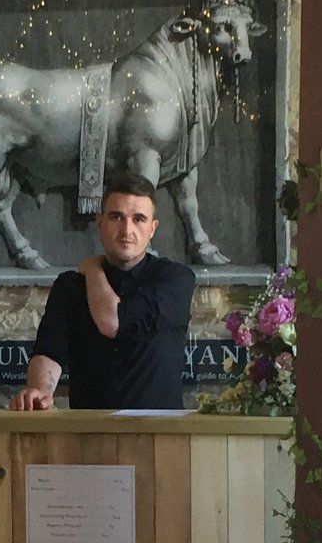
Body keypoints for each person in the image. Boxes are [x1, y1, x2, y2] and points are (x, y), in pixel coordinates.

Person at [12, 176, 196, 413]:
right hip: (88, 435)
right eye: (116, 217)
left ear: (152, 228)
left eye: (138, 219)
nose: (126, 230)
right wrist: (39, 393)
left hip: (158, 437)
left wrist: (92, 268)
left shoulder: (174, 279)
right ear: (99, 223)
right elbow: (49, 351)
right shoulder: (69, 286)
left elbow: (112, 322)